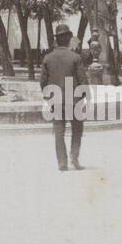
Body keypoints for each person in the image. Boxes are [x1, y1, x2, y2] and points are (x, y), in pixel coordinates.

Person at [42, 24, 87, 170]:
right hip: (74, 101)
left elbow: (43, 82)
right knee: (77, 130)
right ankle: (74, 157)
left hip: (56, 100)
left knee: (59, 132)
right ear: (68, 38)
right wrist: (83, 97)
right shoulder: (75, 57)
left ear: (57, 40)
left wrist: (49, 98)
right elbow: (83, 80)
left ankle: (62, 162)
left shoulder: (48, 58)